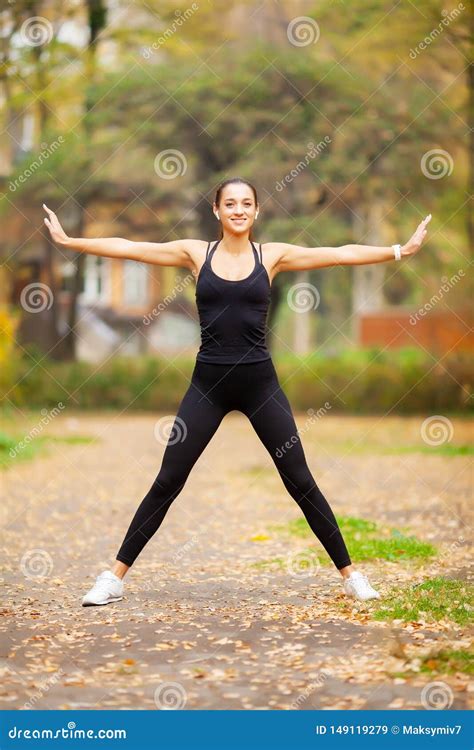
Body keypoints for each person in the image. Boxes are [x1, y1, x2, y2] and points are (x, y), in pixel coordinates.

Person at [42, 180, 431, 606]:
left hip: (259, 384)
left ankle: (352, 575)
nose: (239, 210)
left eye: (247, 203)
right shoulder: (196, 253)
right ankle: (113, 578)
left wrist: (399, 251)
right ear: (217, 210)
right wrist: (70, 241)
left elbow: (339, 253)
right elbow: (132, 247)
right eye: (231, 203)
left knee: (300, 480)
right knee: (168, 479)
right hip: (207, 385)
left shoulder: (272, 256)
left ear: (257, 211)